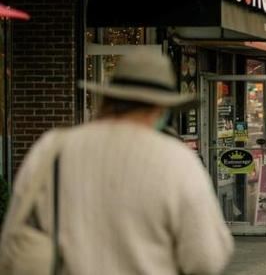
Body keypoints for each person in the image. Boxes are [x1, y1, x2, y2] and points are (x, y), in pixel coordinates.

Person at [0, 50, 234, 274]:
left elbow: (13, 234)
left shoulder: (52, 149)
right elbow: (206, 258)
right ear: (161, 108)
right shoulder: (177, 161)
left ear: (108, 99)